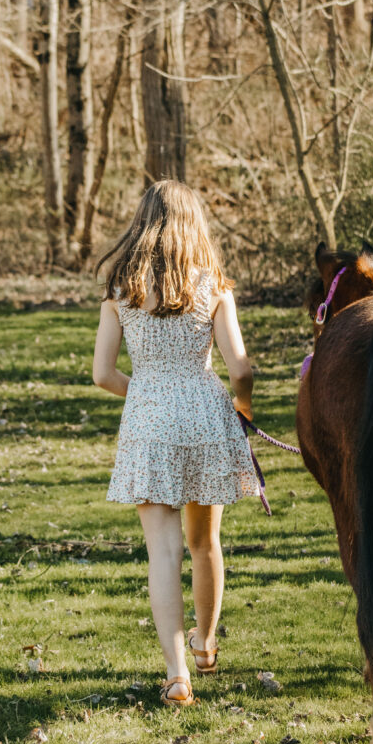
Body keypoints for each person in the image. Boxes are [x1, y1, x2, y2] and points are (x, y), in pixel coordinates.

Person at [92, 179, 260, 707]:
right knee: (204, 541)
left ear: (141, 225)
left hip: (150, 422)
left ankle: (177, 674)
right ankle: (207, 646)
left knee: (162, 552)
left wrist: (141, 391)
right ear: (195, 224)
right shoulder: (213, 288)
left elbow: (102, 374)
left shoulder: (121, 293)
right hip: (207, 419)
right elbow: (241, 367)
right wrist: (244, 408)